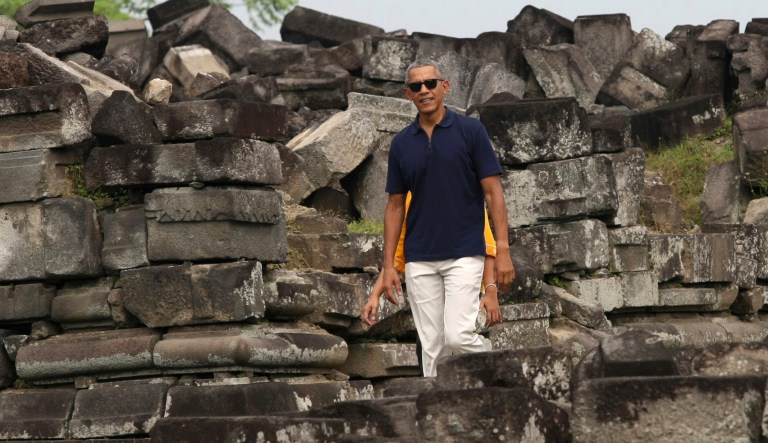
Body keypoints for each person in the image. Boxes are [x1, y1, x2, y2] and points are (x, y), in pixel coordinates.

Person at [377, 58, 515, 377]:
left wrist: (503, 249)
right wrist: (388, 267)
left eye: (430, 83)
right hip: (419, 257)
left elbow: (493, 193)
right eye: (416, 86)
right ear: (408, 94)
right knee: (433, 347)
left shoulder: (471, 131)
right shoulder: (401, 144)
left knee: (458, 336)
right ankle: (437, 405)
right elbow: (395, 206)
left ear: (445, 87)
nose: (424, 90)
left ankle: (502, 374)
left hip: (465, 251)